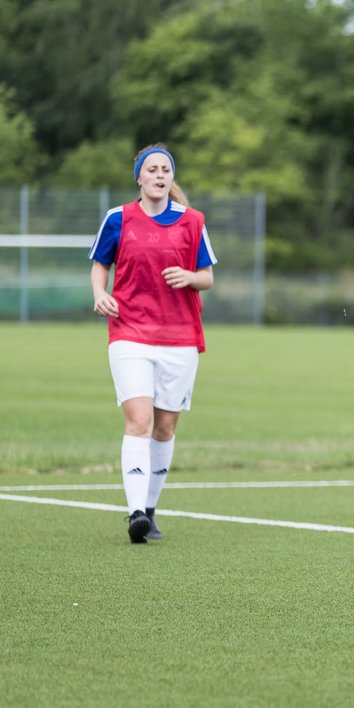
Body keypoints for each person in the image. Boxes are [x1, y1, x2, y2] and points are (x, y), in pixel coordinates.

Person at [89, 143, 216, 544]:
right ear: (139, 178)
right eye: (153, 169)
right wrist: (99, 293)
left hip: (179, 337)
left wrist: (189, 277)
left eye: (166, 169)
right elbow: (100, 265)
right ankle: (135, 514)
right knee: (139, 422)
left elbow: (207, 277)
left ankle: (152, 509)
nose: (160, 175)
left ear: (171, 177)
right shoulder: (118, 218)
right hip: (130, 333)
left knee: (164, 428)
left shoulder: (192, 221)